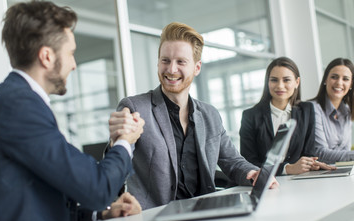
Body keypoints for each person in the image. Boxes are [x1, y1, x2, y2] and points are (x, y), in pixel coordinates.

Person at [0, 1, 144, 221]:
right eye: (71, 53)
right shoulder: (19, 105)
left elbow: (42, 199)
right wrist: (125, 141)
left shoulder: (19, 100)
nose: (74, 64)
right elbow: (97, 188)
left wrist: (102, 214)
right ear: (46, 56)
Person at [109, 22, 277, 210]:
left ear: (197, 68)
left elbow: (232, 161)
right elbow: (118, 161)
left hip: (205, 212)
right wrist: (117, 140)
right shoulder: (135, 107)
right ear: (158, 62)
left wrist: (253, 173)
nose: (171, 69)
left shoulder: (209, 114)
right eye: (165, 60)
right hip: (155, 218)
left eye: (181, 62)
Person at [239, 57, 334, 175]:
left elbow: (309, 153)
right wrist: (287, 169)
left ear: (297, 82)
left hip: (298, 180)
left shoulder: (307, 110)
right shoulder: (250, 116)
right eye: (274, 80)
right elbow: (248, 162)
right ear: (267, 82)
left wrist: (311, 164)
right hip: (264, 183)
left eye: (286, 80)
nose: (280, 86)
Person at [310, 58, 354, 163]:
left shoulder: (347, 110)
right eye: (334, 77)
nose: (339, 83)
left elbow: (346, 150)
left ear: (351, 84)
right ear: (325, 79)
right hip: (318, 173)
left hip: (339, 171)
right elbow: (320, 153)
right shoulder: (313, 108)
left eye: (345, 79)